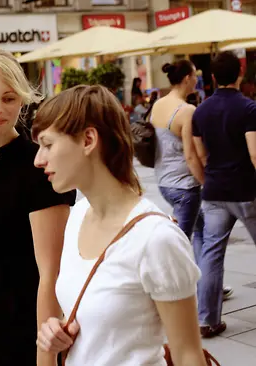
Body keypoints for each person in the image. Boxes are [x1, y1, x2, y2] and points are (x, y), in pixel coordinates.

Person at [33, 85, 207, 365]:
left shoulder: (156, 238)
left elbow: (188, 354)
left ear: (88, 139)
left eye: (48, 144)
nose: (38, 160)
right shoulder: (77, 217)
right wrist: (55, 334)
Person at [0, 46, 76, 366]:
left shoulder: (37, 167)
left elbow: (50, 275)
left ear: (21, 102)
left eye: (9, 98)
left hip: (36, 318)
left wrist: (46, 357)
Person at [192, 51, 256, 338]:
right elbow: (255, 153)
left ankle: (207, 321)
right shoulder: (249, 108)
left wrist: (209, 181)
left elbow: (199, 154)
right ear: (239, 74)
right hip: (246, 191)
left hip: (214, 192)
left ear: (213, 77)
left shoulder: (200, 111)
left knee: (211, 255)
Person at [151, 60, 205, 264]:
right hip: (184, 186)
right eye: (195, 76)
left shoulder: (158, 105)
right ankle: (171, 284)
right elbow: (191, 157)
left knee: (202, 228)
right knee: (180, 241)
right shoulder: (187, 111)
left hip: (164, 182)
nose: (197, 80)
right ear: (186, 79)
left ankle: (208, 280)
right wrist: (206, 183)